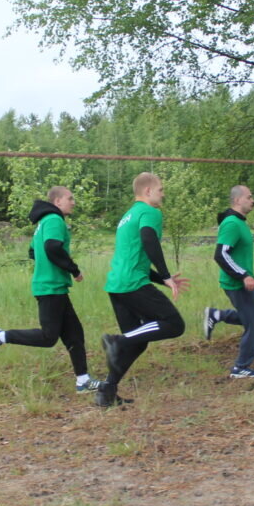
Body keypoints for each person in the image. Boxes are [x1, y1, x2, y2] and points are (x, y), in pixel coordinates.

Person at [0, 187, 98, 392]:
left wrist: (46, 267)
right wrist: (73, 270)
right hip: (50, 287)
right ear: (57, 201)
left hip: (54, 286)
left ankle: (83, 381)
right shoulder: (54, 219)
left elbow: (33, 251)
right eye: (70, 198)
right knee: (48, 337)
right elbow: (52, 247)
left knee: (74, 334)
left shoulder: (42, 223)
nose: (73, 202)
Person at [98, 172, 189, 407]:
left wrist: (162, 279)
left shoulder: (128, 216)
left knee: (137, 341)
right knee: (174, 324)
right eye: (160, 189)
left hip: (117, 285)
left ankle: (106, 391)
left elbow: (136, 258)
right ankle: (117, 340)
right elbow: (149, 240)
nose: (163, 194)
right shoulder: (150, 212)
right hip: (132, 284)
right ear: (148, 191)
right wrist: (167, 275)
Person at [201, 185, 254, 378]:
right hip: (237, 284)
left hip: (244, 282)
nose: (252, 200)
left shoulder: (239, 222)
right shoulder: (232, 223)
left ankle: (217, 315)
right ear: (238, 200)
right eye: (249, 197)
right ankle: (240, 368)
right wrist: (244, 275)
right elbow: (220, 254)